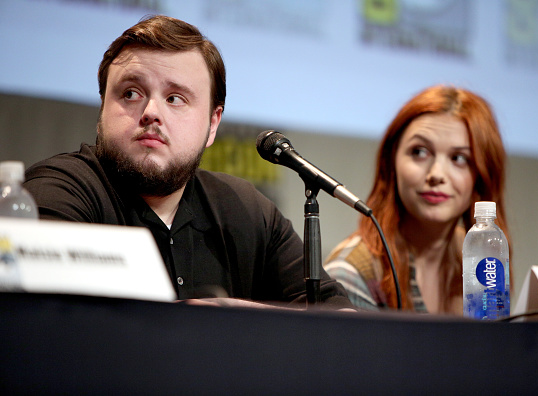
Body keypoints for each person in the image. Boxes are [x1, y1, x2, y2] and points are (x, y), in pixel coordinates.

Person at [24, 15, 352, 309]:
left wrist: (251, 320)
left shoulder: (245, 210)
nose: (151, 111)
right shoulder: (61, 192)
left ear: (212, 124)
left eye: (175, 99)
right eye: (131, 94)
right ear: (102, 111)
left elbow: (341, 319)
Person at [324, 85, 511, 314]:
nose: (436, 175)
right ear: (391, 163)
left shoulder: (481, 252)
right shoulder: (349, 273)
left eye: (459, 158)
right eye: (419, 152)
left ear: (482, 177)